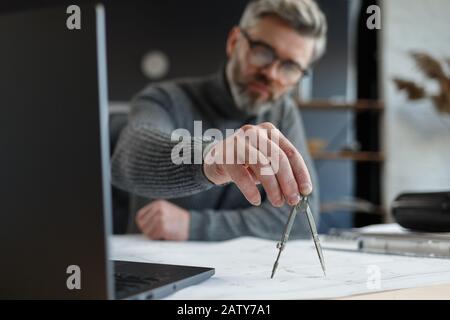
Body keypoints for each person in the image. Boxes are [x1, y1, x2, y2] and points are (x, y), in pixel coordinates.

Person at [111, 0, 327, 241]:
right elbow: (131, 157)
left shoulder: (282, 113)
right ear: (234, 42)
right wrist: (211, 158)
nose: (271, 73)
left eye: (290, 67)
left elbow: (300, 220)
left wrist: (193, 225)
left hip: (237, 273)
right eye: (263, 52)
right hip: (157, 265)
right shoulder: (165, 99)